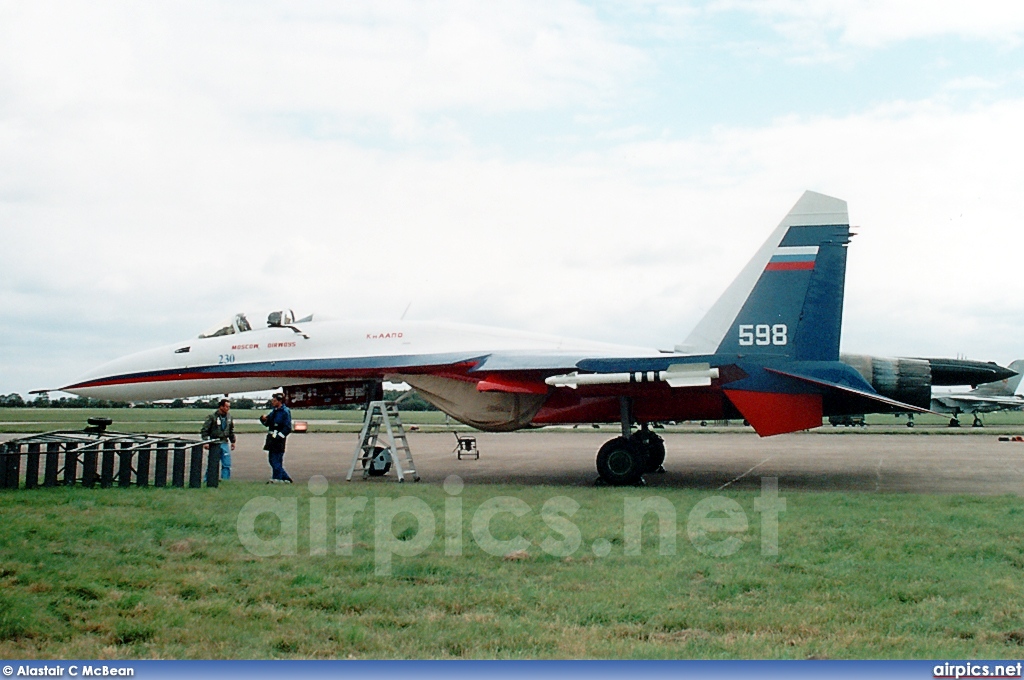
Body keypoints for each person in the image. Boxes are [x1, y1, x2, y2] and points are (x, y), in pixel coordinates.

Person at [201, 398, 236, 483]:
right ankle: (207, 480)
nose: (228, 409)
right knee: (213, 463)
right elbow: (205, 430)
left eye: (229, 407)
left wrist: (233, 441)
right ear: (221, 407)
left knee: (226, 464)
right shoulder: (212, 417)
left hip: (224, 442)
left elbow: (231, 430)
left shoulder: (229, 417)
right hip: (214, 442)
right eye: (226, 407)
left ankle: (225, 480)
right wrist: (206, 441)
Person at [260, 392, 293, 483]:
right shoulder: (274, 412)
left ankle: (277, 478)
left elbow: (287, 428)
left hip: (278, 440)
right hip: (271, 439)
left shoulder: (285, 412)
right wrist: (263, 419)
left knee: (276, 460)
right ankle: (285, 478)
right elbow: (268, 423)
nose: (272, 402)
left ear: (279, 401)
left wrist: (279, 436)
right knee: (271, 460)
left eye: (274, 401)